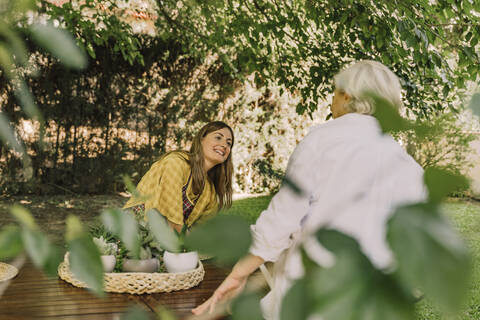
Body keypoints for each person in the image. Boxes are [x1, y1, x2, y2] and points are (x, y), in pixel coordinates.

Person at [192, 61, 426, 319]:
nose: (332, 100)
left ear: (347, 94)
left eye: (335, 91)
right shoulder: (410, 168)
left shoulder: (321, 141)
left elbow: (279, 224)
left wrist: (237, 276)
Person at [123, 121, 234, 232]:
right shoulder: (176, 163)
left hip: (162, 241)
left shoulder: (209, 193)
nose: (224, 145)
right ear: (201, 139)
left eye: (229, 143)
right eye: (218, 137)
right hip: (131, 230)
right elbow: (173, 224)